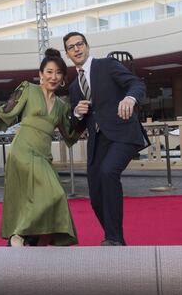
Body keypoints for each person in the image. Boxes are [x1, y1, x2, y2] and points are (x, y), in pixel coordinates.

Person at [0, 48, 80, 247]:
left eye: (58, 73)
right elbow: (7, 111)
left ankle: (35, 242)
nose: (53, 77)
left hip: (43, 156)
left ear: (63, 78)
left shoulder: (62, 106)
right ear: (40, 74)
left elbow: (71, 134)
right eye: (49, 72)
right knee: (54, 193)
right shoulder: (29, 89)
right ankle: (18, 234)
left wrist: (84, 117)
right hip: (22, 150)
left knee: (51, 196)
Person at [63, 32, 149, 246]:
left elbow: (136, 84)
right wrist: (77, 113)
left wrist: (130, 98)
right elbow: (78, 125)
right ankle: (115, 237)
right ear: (67, 54)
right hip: (98, 141)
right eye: (71, 47)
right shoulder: (74, 87)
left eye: (80, 44)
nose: (77, 49)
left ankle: (113, 238)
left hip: (123, 134)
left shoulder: (107, 65)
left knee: (108, 171)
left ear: (87, 46)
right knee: (96, 196)